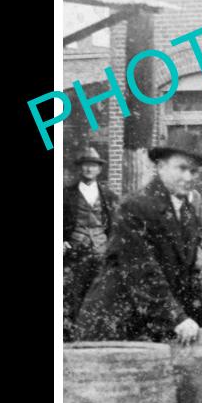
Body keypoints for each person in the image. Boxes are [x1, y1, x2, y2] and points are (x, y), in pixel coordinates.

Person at [77, 135, 202, 344]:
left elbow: (188, 277)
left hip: (149, 325)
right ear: (160, 167)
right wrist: (177, 317)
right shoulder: (136, 207)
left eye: (194, 171)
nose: (189, 176)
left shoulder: (188, 214)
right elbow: (142, 272)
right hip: (114, 327)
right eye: (181, 168)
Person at [62, 146, 117, 340]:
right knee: (73, 295)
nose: (89, 170)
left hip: (101, 253)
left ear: (99, 170)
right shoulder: (65, 194)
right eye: (86, 165)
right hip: (75, 253)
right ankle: (72, 336)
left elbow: (114, 225)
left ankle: (96, 335)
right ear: (80, 168)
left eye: (93, 166)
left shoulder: (108, 195)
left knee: (100, 295)